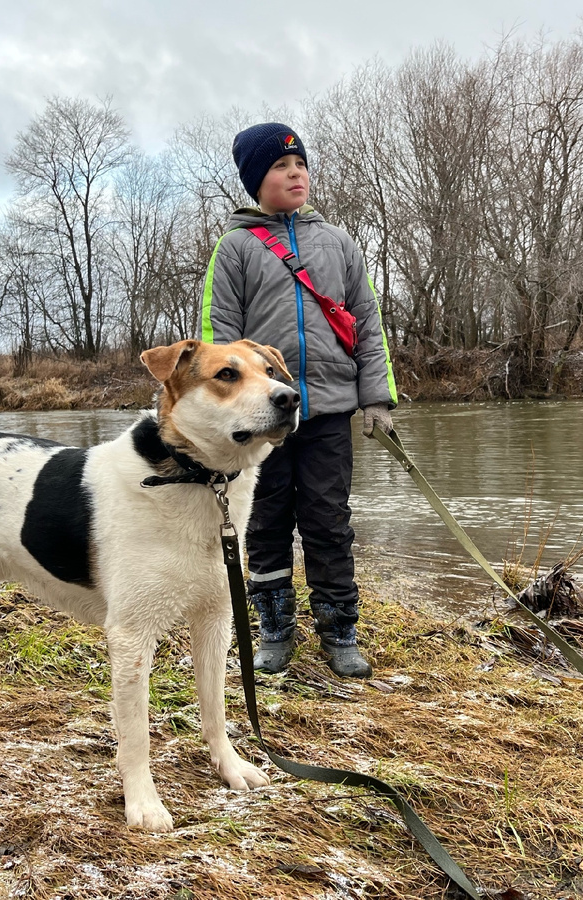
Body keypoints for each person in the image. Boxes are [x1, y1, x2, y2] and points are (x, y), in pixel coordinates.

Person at [198, 122, 397, 679]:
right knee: (263, 521)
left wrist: (377, 400)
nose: (295, 174)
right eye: (281, 167)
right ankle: (274, 628)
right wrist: (224, 415)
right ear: (255, 181)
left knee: (329, 521)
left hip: (330, 409)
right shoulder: (235, 248)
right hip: (261, 418)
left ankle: (340, 629)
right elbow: (219, 336)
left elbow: (369, 325)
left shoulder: (339, 244)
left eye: (301, 165)